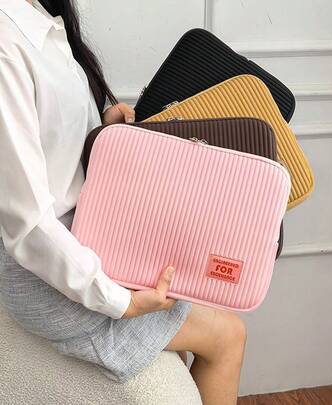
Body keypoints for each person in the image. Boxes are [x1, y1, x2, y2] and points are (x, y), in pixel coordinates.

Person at [0, 1, 247, 404]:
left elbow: (50, 150)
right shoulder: (7, 44)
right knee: (229, 336)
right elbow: (26, 223)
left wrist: (101, 130)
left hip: (89, 234)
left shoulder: (39, 19)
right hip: (48, 276)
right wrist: (121, 301)